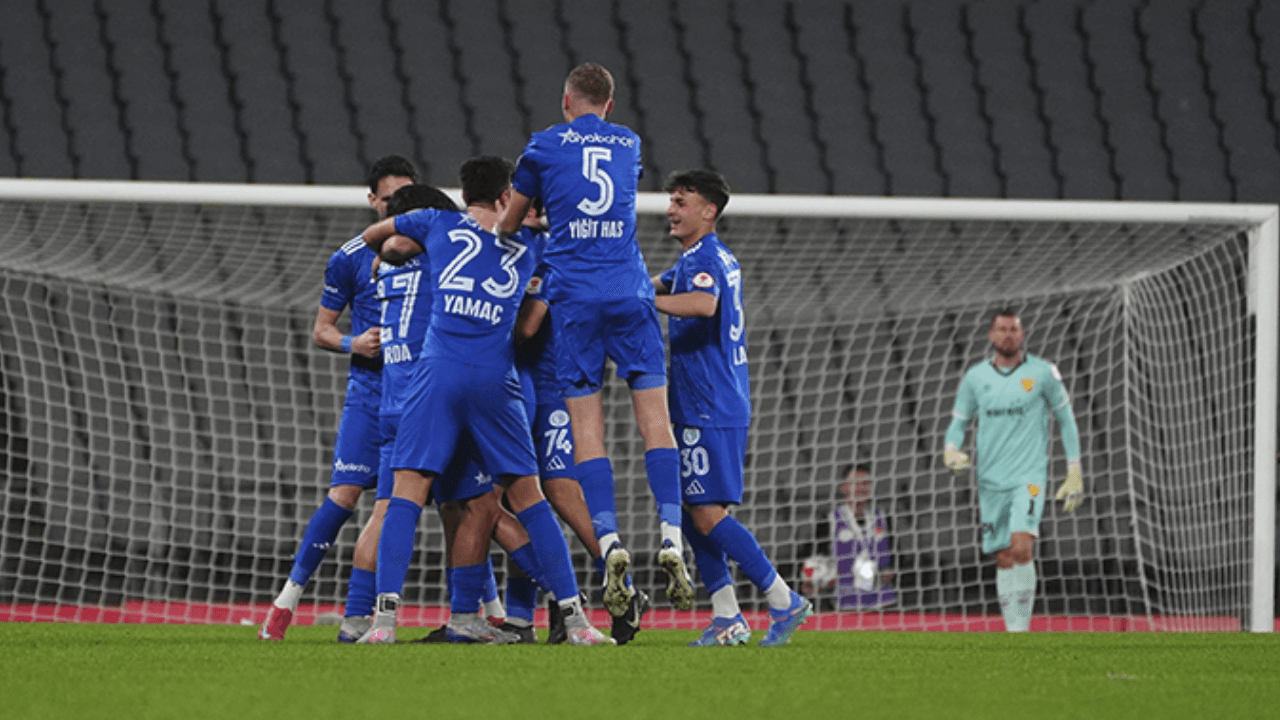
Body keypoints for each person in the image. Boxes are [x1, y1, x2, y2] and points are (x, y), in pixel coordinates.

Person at [358, 155, 612, 645]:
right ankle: (578, 622)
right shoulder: (533, 243)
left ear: (462, 192)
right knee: (529, 499)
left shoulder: (437, 222)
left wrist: (391, 249)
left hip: (436, 375)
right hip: (496, 378)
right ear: (505, 197)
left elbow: (379, 238)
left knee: (406, 494)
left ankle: (383, 624)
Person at [496, 62, 692, 620]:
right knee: (656, 419)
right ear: (610, 104)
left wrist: (532, 215)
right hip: (630, 290)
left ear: (565, 102)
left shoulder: (542, 146)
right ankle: (672, 534)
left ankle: (609, 542)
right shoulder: (628, 143)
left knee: (588, 427)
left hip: (575, 297)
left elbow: (510, 225)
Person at [652, 170, 812, 647]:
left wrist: (643, 297)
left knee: (705, 513)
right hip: (702, 399)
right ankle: (726, 615)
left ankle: (783, 597)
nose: (671, 210)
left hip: (710, 401)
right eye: (672, 201)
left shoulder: (705, 260)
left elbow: (702, 305)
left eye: (682, 201)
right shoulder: (700, 257)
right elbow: (657, 280)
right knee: (694, 508)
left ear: (708, 211)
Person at [259, 155, 416, 641]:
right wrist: (354, 342)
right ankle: (287, 600)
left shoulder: (428, 247)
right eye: (389, 200)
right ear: (373, 200)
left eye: (405, 199)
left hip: (413, 392)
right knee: (344, 497)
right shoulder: (348, 258)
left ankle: (360, 617)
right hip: (370, 390)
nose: (397, 209)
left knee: (428, 502)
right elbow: (321, 330)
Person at [514, 200, 650, 644]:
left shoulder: (547, 252)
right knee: (521, 498)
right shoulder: (532, 249)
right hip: (524, 385)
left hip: (551, 386)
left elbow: (529, 328)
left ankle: (619, 586)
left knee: (555, 490)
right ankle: (526, 613)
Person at [943, 310, 1084, 633]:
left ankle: (1021, 631)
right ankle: (1014, 631)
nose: (1008, 335)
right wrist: (951, 449)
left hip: (1029, 477)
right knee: (1005, 555)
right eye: (1002, 329)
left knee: (1022, 547)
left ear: (1023, 336)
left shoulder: (1043, 373)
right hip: (991, 479)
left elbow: (1066, 420)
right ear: (991, 335)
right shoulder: (976, 378)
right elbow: (958, 424)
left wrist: (1074, 468)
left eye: (1014, 330)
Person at [798, 464, 895, 611]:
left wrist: (890, 570)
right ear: (843, 487)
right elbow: (811, 557)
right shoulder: (829, 521)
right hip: (843, 604)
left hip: (884, 603)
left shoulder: (883, 518)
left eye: (866, 483)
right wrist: (812, 582)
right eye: (856, 483)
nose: (862, 488)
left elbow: (896, 556)